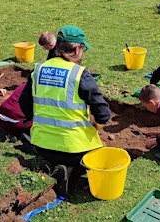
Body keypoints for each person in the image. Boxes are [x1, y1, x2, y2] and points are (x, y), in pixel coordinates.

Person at [19, 25, 111, 196]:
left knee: (53, 154)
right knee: (97, 154)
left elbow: (23, 102)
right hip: (74, 149)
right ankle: (70, 172)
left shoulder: (38, 69)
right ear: (76, 49)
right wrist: (97, 126)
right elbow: (103, 113)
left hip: (40, 143)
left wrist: (38, 121)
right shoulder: (79, 74)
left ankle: (52, 165)